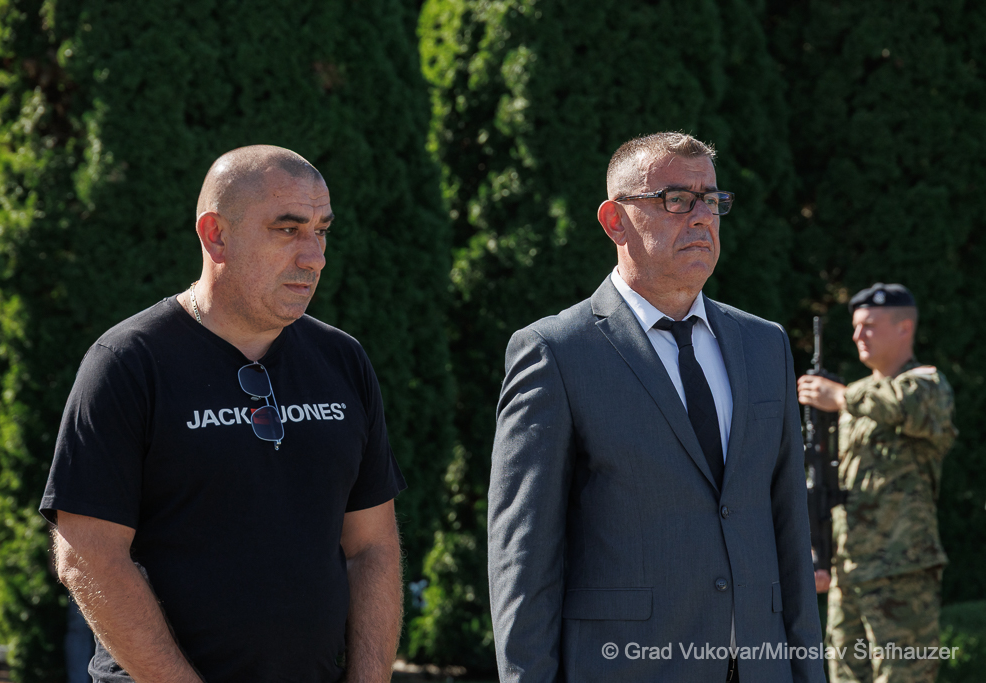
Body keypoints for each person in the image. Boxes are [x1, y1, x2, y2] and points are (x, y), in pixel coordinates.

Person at [41, 145, 406, 683]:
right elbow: (88, 556)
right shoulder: (128, 364)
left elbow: (372, 547)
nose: (315, 257)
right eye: (288, 230)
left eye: (321, 231)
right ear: (215, 235)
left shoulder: (342, 361)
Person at [488, 132, 825, 683]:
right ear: (614, 221)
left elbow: (788, 527)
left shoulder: (765, 345)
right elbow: (523, 558)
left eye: (711, 200)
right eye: (676, 200)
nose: (702, 217)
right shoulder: (556, 351)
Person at [797, 283, 955, 683]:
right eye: (855, 327)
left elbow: (903, 404)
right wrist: (820, 555)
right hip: (848, 573)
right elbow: (828, 486)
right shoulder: (854, 404)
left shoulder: (927, 385)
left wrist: (841, 397)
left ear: (904, 328)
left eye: (868, 325)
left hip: (901, 571)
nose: (857, 336)